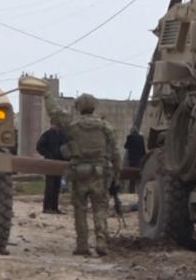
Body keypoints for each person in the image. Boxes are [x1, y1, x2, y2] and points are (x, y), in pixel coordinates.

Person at [44, 91, 119, 257]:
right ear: (94, 107)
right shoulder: (105, 127)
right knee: (100, 208)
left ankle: (82, 245)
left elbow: (54, 113)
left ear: (78, 108)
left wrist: (47, 95)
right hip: (100, 174)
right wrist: (117, 175)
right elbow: (115, 153)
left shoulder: (73, 125)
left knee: (80, 210)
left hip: (79, 173)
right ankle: (101, 241)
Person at [35, 120, 68, 214]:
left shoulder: (62, 135)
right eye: (56, 124)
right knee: (50, 185)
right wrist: (48, 155)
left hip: (59, 163)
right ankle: (47, 207)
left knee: (57, 186)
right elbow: (39, 147)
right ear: (52, 124)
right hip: (50, 163)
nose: (57, 126)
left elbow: (66, 147)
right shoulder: (47, 134)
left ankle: (54, 207)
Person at [123, 127, 146, 193]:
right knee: (139, 174)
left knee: (132, 174)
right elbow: (143, 149)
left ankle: (131, 190)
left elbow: (125, 146)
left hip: (132, 159)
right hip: (140, 159)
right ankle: (140, 189)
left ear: (132, 132)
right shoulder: (141, 138)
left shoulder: (130, 137)